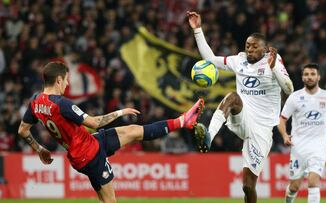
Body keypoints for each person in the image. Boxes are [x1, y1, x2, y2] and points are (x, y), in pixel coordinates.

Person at [17, 61, 204, 203]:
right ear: (58, 79)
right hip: (89, 154)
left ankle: (182, 121)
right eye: (66, 80)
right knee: (110, 201)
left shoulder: (35, 102)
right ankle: (182, 121)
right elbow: (95, 122)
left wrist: (39, 149)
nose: (66, 84)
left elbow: (23, 130)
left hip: (88, 144)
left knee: (133, 131)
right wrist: (121, 111)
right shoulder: (61, 103)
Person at [187, 11, 294, 203]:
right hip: (243, 117)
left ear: (265, 49)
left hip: (262, 129)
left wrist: (274, 69)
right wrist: (197, 30)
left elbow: (289, 88)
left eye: (255, 46)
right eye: (248, 46)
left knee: (247, 186)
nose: (250, 49)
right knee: (233, 97)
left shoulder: (273, 61)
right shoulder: (239, 60)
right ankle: (208, 137)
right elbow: (210, 59)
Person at [277, 63, 326, 203]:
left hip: (319, 145)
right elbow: (282, 119)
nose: (309, 77)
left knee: (313, 181)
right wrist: (285, 135)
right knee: (294, 186)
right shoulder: (295, 97)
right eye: (306, 74)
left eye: (312, 74)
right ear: (302, 77)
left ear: (318, 77)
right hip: (298, 146)